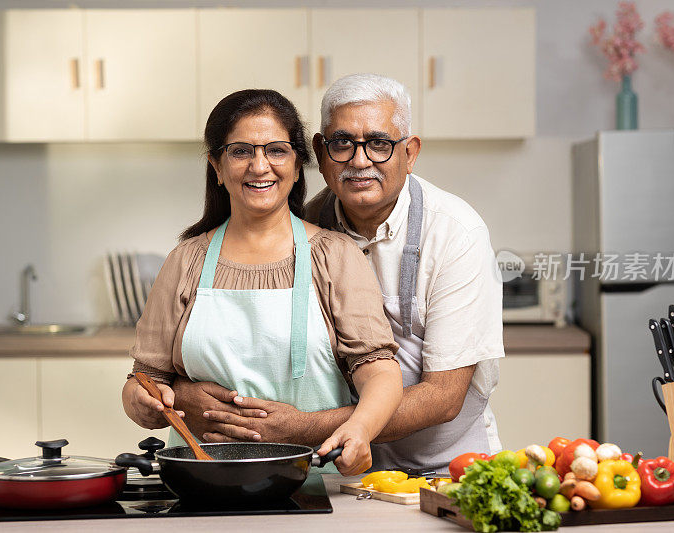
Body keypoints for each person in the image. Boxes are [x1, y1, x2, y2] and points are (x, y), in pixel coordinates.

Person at [173, 75, 504, 473]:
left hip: (444, 464)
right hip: (333, 471)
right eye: (342, 143)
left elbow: (444, 397)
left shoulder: (455, 233)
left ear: (410, 152)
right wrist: (181, 395)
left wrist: (305, 428)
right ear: (319, 151)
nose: (360, 160)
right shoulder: (303, 229)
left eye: (380, 143)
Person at [121, 89, 403, 475]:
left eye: (276, 150)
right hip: (203, 482)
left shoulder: (335, 256)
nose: (259, 166)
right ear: (217, 167)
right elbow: (144, 379)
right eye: (240, 151)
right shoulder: (185, 261)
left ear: (298, 164)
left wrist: (359, 428)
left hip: (313, 482)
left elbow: (380, 370)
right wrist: (144, 404)